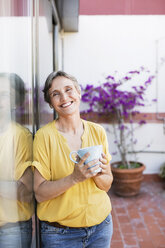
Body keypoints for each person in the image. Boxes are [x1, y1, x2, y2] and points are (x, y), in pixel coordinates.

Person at [33, 71, 113, 248]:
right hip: (60, 235)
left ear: (78, 93)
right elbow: (39, 193)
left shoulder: (97, 131)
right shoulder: (43, 137)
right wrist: (75, 178)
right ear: (51, 104)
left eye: (69, 90)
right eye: (56, 94)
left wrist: (95, 174)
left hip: (101, 228)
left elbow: (107, 184)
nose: (64, 97)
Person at [0, 73, 33, 247]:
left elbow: (25, 194)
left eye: (4, 95)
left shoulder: (21, 138)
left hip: (10, 230)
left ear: (15, 103)